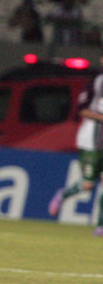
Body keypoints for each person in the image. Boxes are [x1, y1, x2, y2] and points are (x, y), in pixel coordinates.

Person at [49, 50, 103, 237]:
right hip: (91, 141)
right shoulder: (96, 83)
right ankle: (63, 195)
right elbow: (81, 110)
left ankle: (101, 226)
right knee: (88, 185)